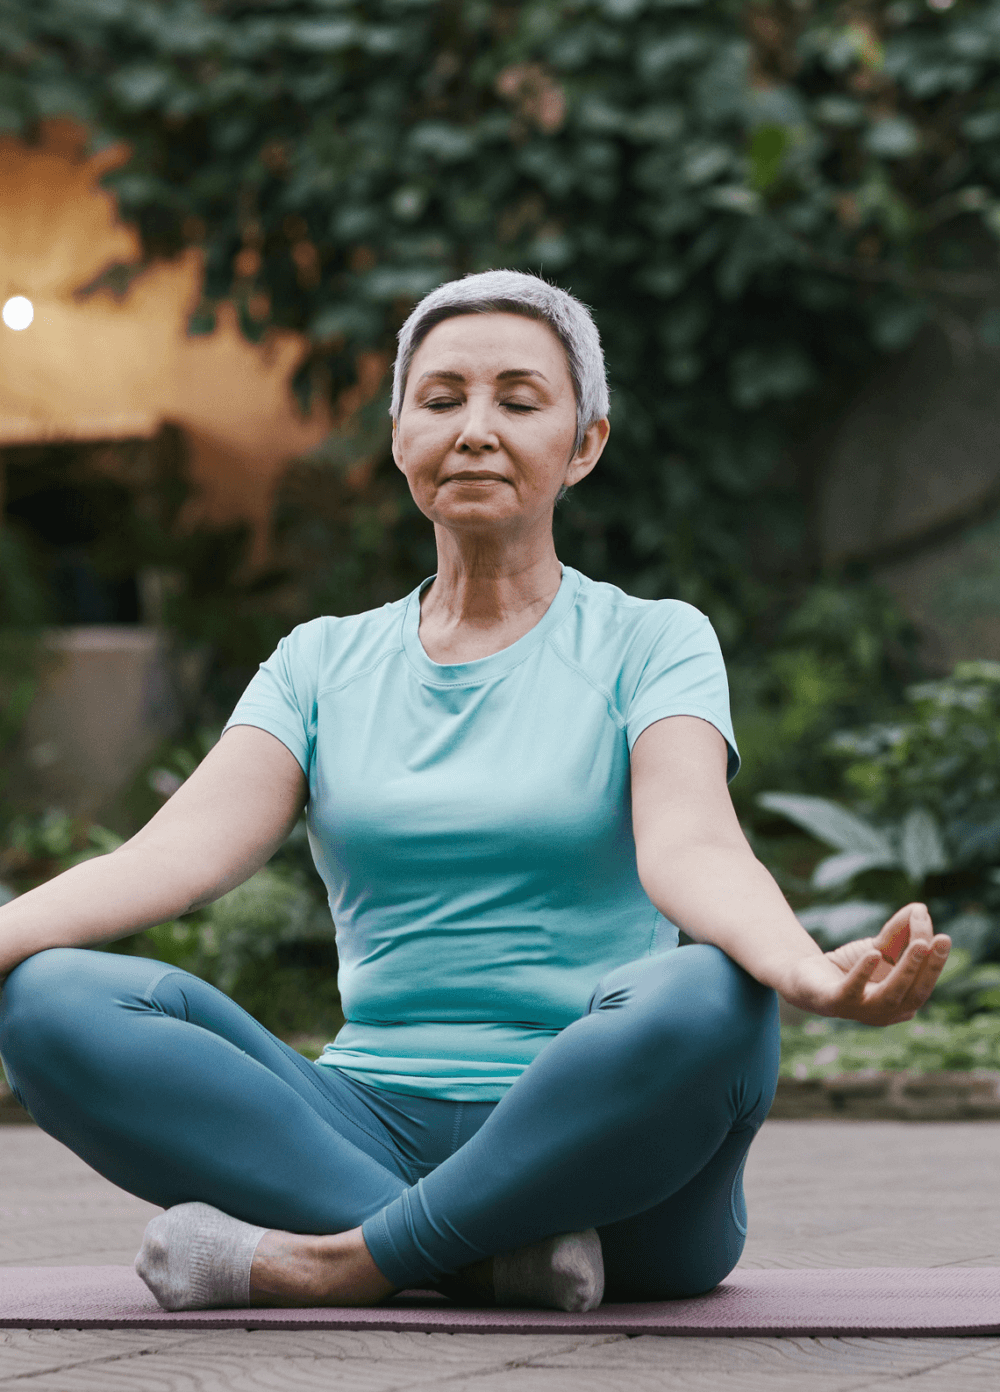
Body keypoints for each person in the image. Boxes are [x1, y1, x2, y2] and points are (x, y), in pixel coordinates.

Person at [0, 271, 951, 1314]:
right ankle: (477, 1256)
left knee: (714, 992)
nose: (476, 430)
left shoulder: (652, 639)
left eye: (520, 400)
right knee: (51, 1000)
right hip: (357, 1123)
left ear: (583, 443)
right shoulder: (319, 663)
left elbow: (693, 848)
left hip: (609, 1160)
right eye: (442, 399)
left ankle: (340, 1262)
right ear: (399, 433)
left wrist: (807, 974)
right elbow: (167, 860)